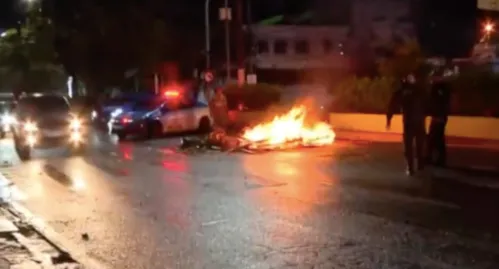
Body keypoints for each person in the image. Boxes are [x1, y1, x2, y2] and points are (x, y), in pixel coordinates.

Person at [386, 72, 427, 176]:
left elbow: (392, 105)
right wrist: (389, 119)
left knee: (416, 145)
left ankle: (416, 165)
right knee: (413, 145)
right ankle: (413, 166)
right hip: (413, 122)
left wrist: (389, 119)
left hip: (415, 122)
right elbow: (393, 104)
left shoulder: (416, 91)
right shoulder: (414, 91)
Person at [426, 67, 452, 167]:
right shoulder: (437, 87)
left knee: (437, 138)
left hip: (439, 116)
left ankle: (438, 159)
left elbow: (442, 103)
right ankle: (433, 158)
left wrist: (440, 115)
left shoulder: (441, 88)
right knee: (434, 138)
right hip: (438, 116)